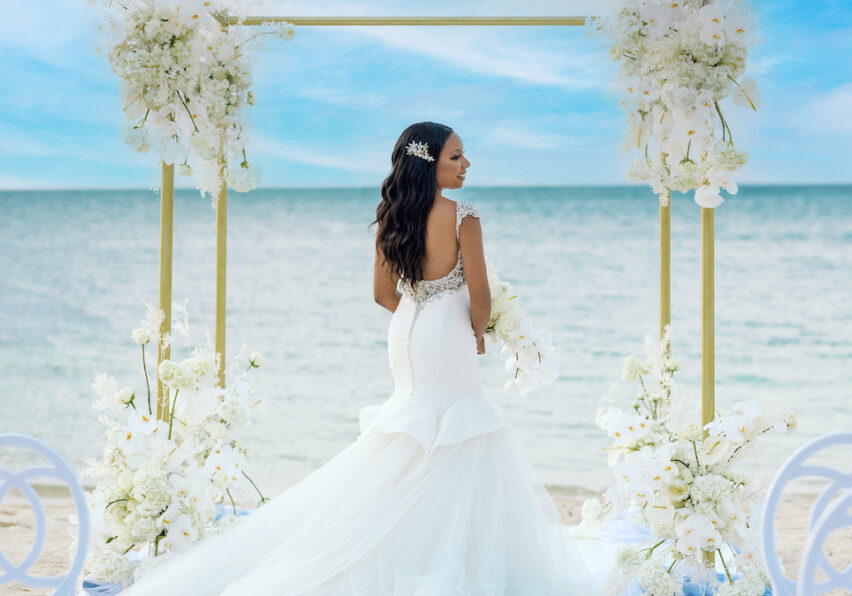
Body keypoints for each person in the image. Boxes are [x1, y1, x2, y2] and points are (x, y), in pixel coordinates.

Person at [120, 122, 599, 595]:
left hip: (405, 332)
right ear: (429, 164)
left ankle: (391, 537)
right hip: (446, 336)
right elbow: (481, 296)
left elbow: (381, 294)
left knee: (412, 430)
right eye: (456, 156)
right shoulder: (464, 217)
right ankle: (438, 552)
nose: (466, 164)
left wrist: (418, 311)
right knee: (455, 431)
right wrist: (476, 334)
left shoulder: (392, 216)